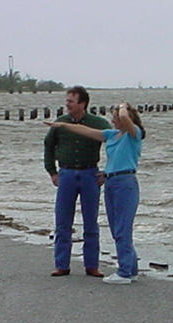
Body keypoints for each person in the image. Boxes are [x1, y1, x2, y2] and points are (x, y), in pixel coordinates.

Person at [45, 102, 145, 285]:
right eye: (113, 116)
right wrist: (64, 125)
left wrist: (123, 106)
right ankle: (131, 269)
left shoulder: (134, 133)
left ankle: (124, 272)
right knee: (117, 229)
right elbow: (87, 131)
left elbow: (124, 118)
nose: (114, 119)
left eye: (115, 116)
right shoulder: (112, 135)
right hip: (111, 181)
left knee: (123, 228)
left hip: (126, 183)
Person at [43, 86, 112, 278]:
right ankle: (62, 265)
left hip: (90, 174)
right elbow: (48, 146)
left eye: (71, 102)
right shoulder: (60, 123)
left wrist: (107, 172)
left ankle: (92, 265)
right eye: (67, 101)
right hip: (66, 175)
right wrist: (52, 172)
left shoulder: (98, 123)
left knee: (91, 222)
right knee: (63, 221)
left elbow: (116, 145)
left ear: (82, 104)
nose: (67, 105)